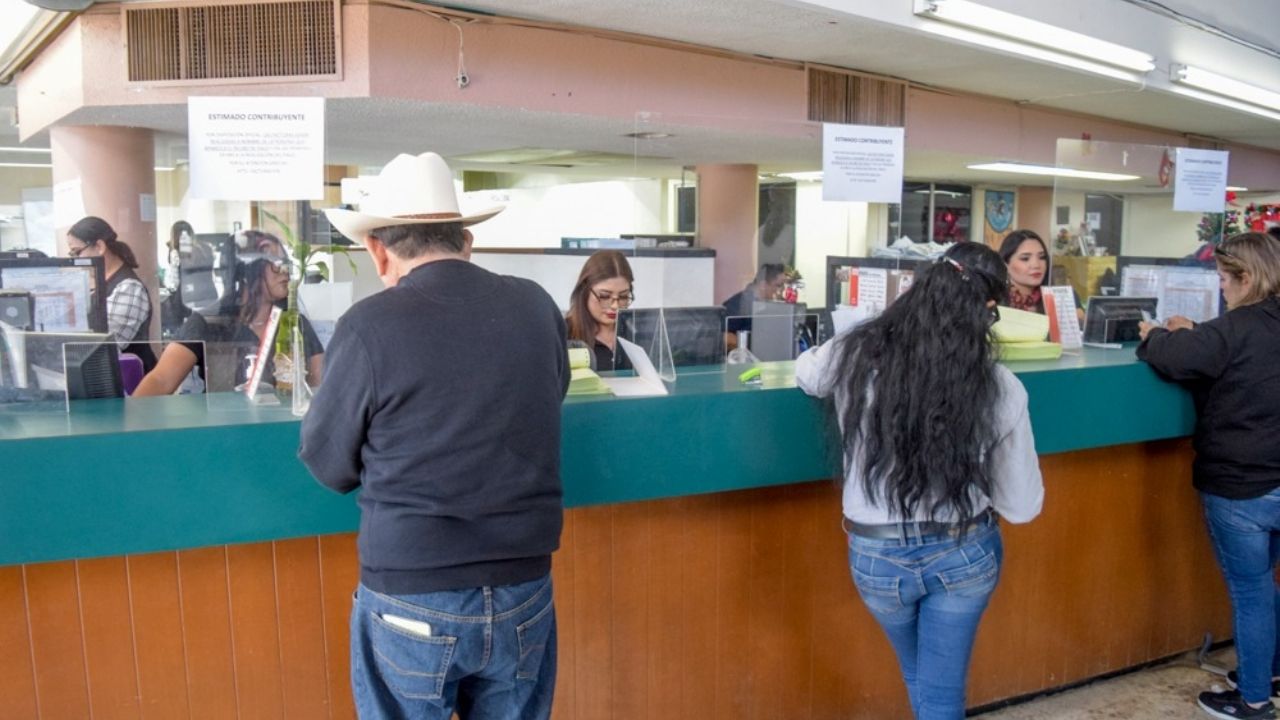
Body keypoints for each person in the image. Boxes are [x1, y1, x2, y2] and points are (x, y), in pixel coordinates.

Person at [298, 151, 569, 720]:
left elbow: (328, 465)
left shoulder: (369, 325)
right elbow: (551, 394)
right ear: (465, 239)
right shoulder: (536, 306)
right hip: (525, 583)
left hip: (411, 590)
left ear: (379, 248)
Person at [795, 241, 1044, 720]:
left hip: (876, 558)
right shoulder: (1000, 386)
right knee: (939, 689)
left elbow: (809, 373)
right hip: (963, 552)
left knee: (923, 681)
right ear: (987, 310)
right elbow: (1021, 504)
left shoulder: (854, 355)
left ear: (917, 288)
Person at [1137, 232, 1280, 720]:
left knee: (1251, 592)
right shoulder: (1245, 329)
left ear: (1246, 277)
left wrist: (1156, 335)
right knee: (1266, 584)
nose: (1220, 288)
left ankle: (1255, 700)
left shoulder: (1233, 330)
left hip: (1240, 487)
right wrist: (1194, 331)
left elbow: (1174, 358)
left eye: (1223, 278)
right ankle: (1269, 669)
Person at [132, 230, 323, 395]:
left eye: (285, 263)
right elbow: (161, 380)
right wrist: (130, 422)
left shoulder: (295, 323)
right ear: (246, 269)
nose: (285, 271)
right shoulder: (209, 322)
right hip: (226, 430)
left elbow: (321, 384)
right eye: (275, 263)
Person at [66, 216, 158, 371]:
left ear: (99, 246)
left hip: (131, 382)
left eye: (77, 252)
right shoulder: (100, 283)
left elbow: (109, 343)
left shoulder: (129, 288)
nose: (76, 260)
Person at [565, 250, 635, 371]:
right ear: (584, 292)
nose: (615, 305)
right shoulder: (563, 333)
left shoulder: (636, 333)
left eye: (623, 296)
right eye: (604, 296)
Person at [998, 228, 1084, 326]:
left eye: (1042, 257)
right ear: (1005, 264)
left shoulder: (1062, 298)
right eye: (1025, 258)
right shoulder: (993, 300)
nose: (1036, 265)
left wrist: (1081, 322)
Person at [722, 262, 788, 348]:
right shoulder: (738, 304)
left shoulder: (766, 305)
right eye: (778, 286)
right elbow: (725, 336)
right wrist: (751, 346)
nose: (782, 291)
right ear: (763, 285)